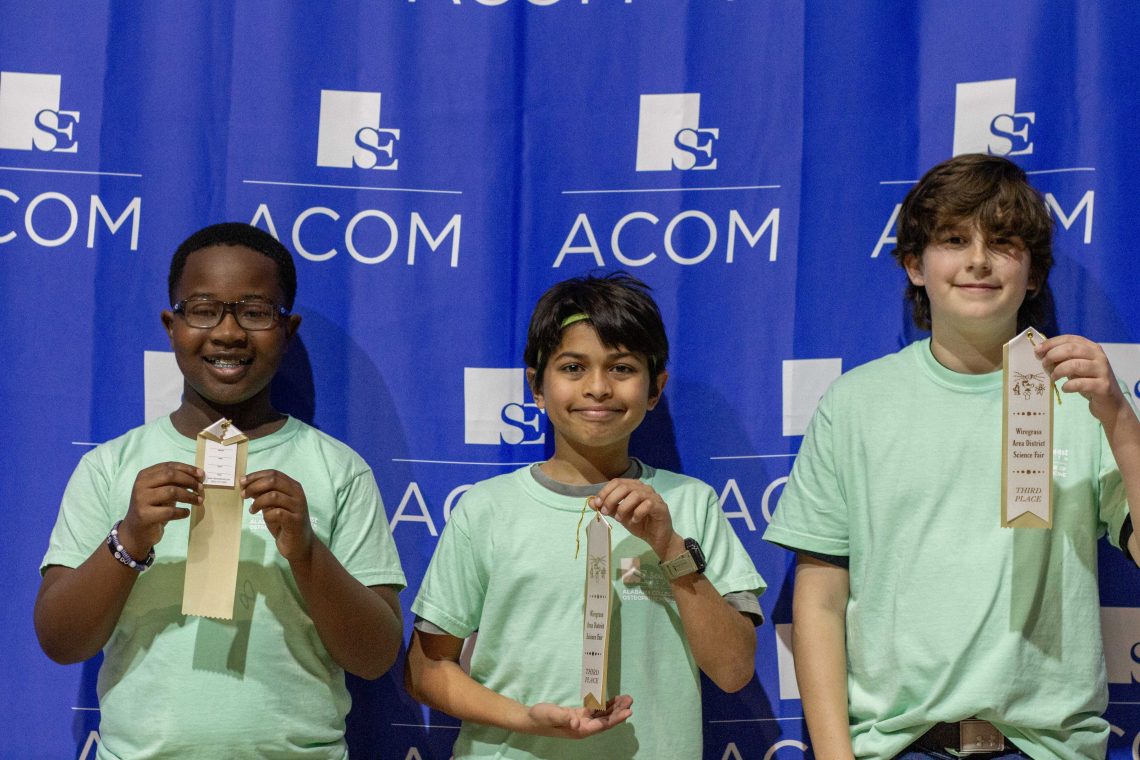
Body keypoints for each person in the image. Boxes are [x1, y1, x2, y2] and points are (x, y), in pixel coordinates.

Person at [764, 154, 1140, 759]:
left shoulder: (1084, 396)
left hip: (1047, 749)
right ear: (915, 264)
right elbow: (820, 598)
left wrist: (1119, 419)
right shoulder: (855, 404)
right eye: (954, 239)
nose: (978, 260)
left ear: (1034, 274)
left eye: (1004, 242)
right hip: (899, 748)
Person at [34, 222, 406, 759]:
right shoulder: (110, 467)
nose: (228, 332)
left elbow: (374, 657)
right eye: (204, 310)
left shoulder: (337, 470)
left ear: (287, 329)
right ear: (172, 326)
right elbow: (60, 641)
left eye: (254, 312)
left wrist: (307, 553)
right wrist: (130, 539)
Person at [404, 272, 765, 758]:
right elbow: (426, 670)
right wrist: (525, 717)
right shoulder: (486, 509)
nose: (597, 388)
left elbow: (734, 670)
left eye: (622, 368)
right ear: (536, 385)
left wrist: (671, 549)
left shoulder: (690, 503)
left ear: (655, 388)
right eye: (573, 367)